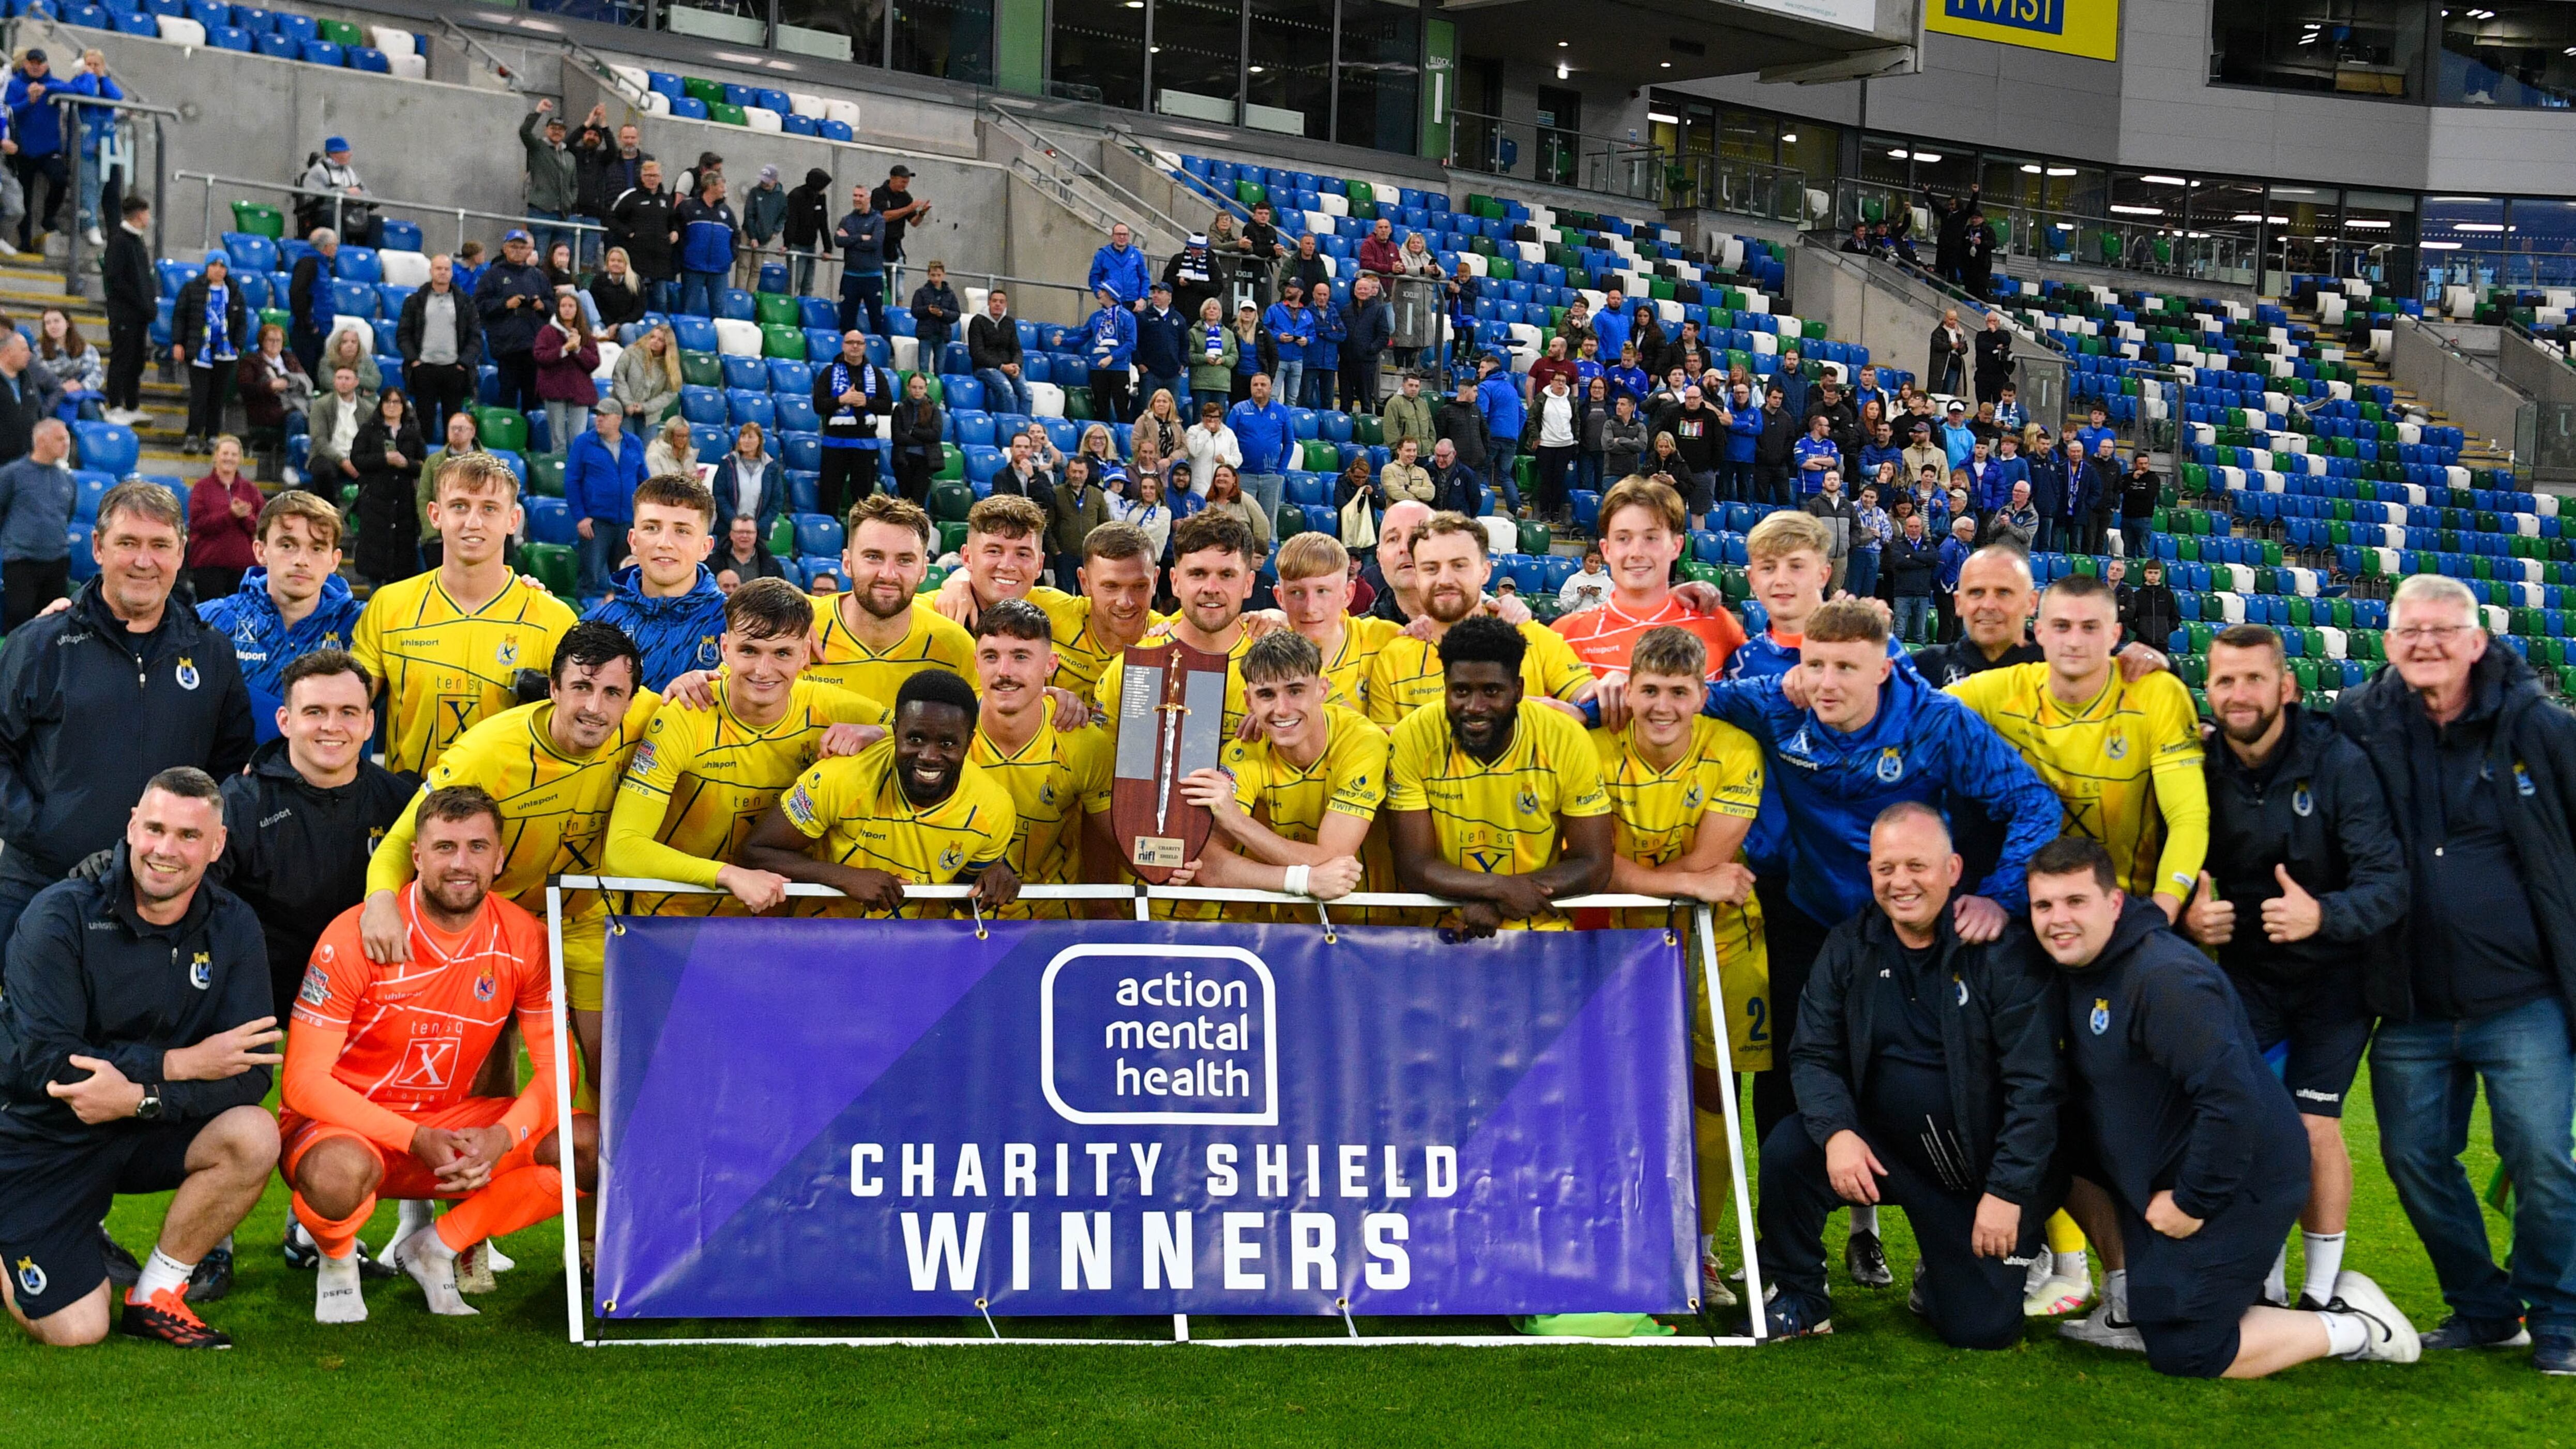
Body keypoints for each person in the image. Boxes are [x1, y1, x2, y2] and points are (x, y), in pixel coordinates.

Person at [2028, 835, 2420, 1376]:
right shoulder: (2079, 966)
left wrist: (2192, 1202)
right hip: (2167, 1168)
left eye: (2075, 902)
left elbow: (2232, 1101)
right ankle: (2128, 1301)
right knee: (2056, 1134)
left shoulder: (2164, 978)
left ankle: (2355, 1325)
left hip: (2242, 1179)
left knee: (2187, 1349)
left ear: (2114, 903)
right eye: (2043, 906)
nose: (2058, 920)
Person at [1700, 599, 2060, 1152]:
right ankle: (1788, 1201)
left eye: (1846, 668)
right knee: (1790, 1076)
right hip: (1810, 916)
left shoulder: (1935, 722)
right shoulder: (1775, 704)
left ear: (1884, 669)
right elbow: (1683, 698)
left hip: (1908, 927)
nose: (1826, 683)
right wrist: (1594, 702)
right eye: (1815, 665)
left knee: (1915, 1079)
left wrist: (2000, 896)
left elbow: (2034, 803)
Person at [2330, 573, 2576, 1372]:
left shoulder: (2540, 727)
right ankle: (2483, 1307)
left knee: (2541, 1158)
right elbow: (2275, 736)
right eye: (2410, 631)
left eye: (2442, 630)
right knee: (2412, 1161)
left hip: (2523, 998)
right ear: (2387, 643)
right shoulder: (2358, 722)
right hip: (2411, 1001)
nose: (2426, 644)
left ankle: (2560, 1317)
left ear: (2476, 641)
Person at [1751, 802, 2063, 1347]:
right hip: (1880, 1154)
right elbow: (1813, 1053)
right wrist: (1838, 1133)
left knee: (1982, 1330)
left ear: (1953, 869)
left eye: (1917, 866)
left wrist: (2007, 1192)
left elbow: (2036, 1089)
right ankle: (1801, 1297)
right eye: (1886, 868)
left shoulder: (2001, 954)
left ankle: (1942, 1274)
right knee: (1789, 1149)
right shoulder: (1848, 945)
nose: (1900, 882)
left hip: (1973, 1176)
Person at [285, 783, 594, 1321]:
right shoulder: (353, 936)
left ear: (500, 859)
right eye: (445, 847)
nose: (461, 864)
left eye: (477, 847)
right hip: (348, 1130)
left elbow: (556, 1070)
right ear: (417, 856)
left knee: (589, 1146)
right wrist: (413, 1138)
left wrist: (503, 1136)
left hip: (446, 1127)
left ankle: (436, 1246)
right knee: (337, 1175)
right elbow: (302, 1084)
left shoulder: (525, 939)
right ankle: (336, 1259)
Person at [0, 766, 280, 1348]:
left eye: (188, 836)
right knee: (77, 1330)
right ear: (131, 827)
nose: (165, 850)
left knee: (253, 1134)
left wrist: (141, 1098)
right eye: (155, 829)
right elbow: (53, 1064)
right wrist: (179, 1065)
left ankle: (158, 1294)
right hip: (40, 1136)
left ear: (217, 845)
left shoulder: (233, 925)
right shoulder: (59, 916)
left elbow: (249, 1072)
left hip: (141, 1124)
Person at [2181, 624, 2407, 1315]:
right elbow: (2176, 862)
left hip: (2334, 978)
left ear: (2285, 686)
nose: (2238, 693)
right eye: (2224, 680)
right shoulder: (2198, 766)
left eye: (2253, 678)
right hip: (2246, 977)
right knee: (2245, 1123)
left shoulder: (2336, 761)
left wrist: (2322, 915)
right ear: (2207, 689)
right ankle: (2263, 1279)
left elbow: (2388, 883)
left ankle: (2321, 1290)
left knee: (2310, 1125)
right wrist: (2192, 915)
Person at [361, 621, 652, 1096]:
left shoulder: (649, 718)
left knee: (612, 1073)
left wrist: (695, 682)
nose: (595, 708)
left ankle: (593, 1148)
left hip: (586, 916)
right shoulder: (486, 753)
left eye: (612, 693)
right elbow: (401, 840)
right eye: (581, 687)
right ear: (554, 688)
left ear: (631, 699)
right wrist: (379, 901)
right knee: (487, 1075)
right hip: (499, 924)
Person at [1587, 626, 1767, 1300]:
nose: (1662, 706)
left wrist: (1670, 880)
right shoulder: (1592, 748)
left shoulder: (1735, 750)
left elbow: (1708, 864)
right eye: (1650, 690)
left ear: (1701, 696)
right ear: (1628, 691)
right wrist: (1686, 883)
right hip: (1614, 941)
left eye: (1678, 692)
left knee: (1710, 1093)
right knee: (1611, 1089)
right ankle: (1616, 1237)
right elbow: (1594, 864)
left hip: (1716, 939)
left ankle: (1702, 1251)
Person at [0, 480, 257, 944]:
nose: (144, 561)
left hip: (164, 898)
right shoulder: (39, 645)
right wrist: (41, 830)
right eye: (128, 543)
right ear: (98, 547)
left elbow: (231, 769)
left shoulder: (213, 653)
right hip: (41, 885)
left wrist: (188, 851)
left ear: (181, 552)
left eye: (160, 545)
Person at [606, 577, 888, 916]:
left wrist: (878, 733)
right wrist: (729, 875)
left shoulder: (829, 706)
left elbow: (918, 729)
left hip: (778, 922)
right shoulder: (686, 715)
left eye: (782, 653)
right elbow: (623, 848)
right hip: (676, 918)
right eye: (749, 651)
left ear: (804, 655)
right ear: (725, 649)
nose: (763, 671)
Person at [1946, 573, 2205, 923]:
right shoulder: (1999, 692)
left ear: (2115, 635)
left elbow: (2187, 817)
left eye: (2090, 628)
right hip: (2028, 910)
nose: (2074, 641)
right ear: (2039, 632)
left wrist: (2161, 916)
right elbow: (1910, 710)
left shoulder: (2157, 694)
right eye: (2062, 626)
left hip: (2126, 913)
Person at [353, 452, 578, 779]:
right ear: (435, 514)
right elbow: (349, 708)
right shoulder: (389, 606)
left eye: (490, 508)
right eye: (459, 506)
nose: (473, 522)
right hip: (410, 801)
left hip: (509, 804)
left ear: (514, 519)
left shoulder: (553, 618)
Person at [742, 668, 1019, 919]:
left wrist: (992, 882)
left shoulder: (994, 808)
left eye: (947, 743)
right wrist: (845, 877)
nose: (929, 756)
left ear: (969, 743)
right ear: (895, 732)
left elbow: (965, 901)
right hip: (828, 938)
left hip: (924, 946)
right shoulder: (841, 778)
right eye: (915, 739)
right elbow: (754, 852)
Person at [1167, 627, 1381, 912]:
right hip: (1284, 926)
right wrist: (1302, 880)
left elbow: (1334, 860)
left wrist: (1237, 821)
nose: (1282, 709)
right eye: (1267, 695)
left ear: (1323, 689)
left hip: (1374, 922)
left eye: (1295, 691)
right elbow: (1208, 864)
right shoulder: (1245, 750)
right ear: (1249, 701)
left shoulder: (1363, 741)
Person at [957, 600, 1112, 918]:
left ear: (1051, 665)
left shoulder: (1083, 743)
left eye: (1021, 657)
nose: (1004, 671)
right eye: (991, 657)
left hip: (1053, 922)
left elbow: (1108, 839)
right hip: (958, 918)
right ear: (976, 663)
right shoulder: (948, 733)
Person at [194, 491, 363, 745]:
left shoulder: (362, 625)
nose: (302, 561)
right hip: (235, 770)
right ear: (261, 551)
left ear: (334, 560)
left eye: (317, 548)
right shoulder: (211, 620)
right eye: (287, 546)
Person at [1552, 477, 1748, 690]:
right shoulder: (1568, 635)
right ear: (1606, 550)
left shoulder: (1715, 622)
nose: (1636, 552)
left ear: (1676, 546)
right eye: (1623, 539)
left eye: (1651, 538)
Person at [794, 493, 976, 703]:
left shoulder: (956, 647)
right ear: (847, 563)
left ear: (923, 570)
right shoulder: (800, 629)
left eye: (905, 560)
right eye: (873, 557)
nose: (888, 574)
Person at [584, 473, 723, 692]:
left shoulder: (733, 624)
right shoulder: (596, 626)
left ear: (705, 547)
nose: (665, 543)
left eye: (682, 531)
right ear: (633, 541)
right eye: (652, 528)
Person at [391, 255, 481, 434]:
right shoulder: (415, 301)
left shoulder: (465, 302)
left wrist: (464, 363)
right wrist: (414, 360)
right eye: (439, 268)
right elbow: (403, 334)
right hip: (424, 369)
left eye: (447, 269)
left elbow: (475, 337)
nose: (443, 272)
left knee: (454, 426)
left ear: (452, 273)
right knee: (423, 424)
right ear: (431, 271)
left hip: (455, 371)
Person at [565, 398, 646, 596]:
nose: (599, 419)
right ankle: (584, 613)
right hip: (596, 523)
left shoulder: (634, 443)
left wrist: (641, 517)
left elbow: (644, 481)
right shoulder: (584, 443)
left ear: (618, 419)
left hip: (627, 522)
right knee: (590, 577)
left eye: (604, 415)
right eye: (597, 415)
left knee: (625, 578)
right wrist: (581, 517)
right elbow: (572, 481)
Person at [168, 250, 243, 457]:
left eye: (223, 266)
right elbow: (180, 317)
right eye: (214, 265)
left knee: (217, 397)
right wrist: (178, 343)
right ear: (207, 267)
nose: (218, 270)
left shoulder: (234, 292)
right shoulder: (192, 289)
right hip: (200, 351)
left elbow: (241, 322)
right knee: (199, 396)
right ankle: (193, 434)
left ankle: (212, 436)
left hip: (225, 353)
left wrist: (238, 344)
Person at [0, 416, 73, 627]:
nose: (66, 444)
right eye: (60, 439)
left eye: (67, 439)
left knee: (52, 626)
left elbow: (68, 514)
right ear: (41, 441)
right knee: (19, 621)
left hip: (58, 560)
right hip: (21, 561)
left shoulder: (67, 479)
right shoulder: (12, 474)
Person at [814, 330, 891, 521]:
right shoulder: (829, 372)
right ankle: (829, 533)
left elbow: (887, 406)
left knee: (864, 503)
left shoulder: (876, 374)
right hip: (835, 445)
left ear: (865, 346)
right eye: (850, 342)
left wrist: (867, 402)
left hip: (865, 446)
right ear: (843, 345)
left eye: (859, 343)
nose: (855, 346)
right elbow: (818, 405)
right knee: (829, 497)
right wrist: (842, 400)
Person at [475, 229, 551, 417]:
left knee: (533, 401)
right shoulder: (492, 275)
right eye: (513, 246)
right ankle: (508, 433)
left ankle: (530, 434)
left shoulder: (538, 276)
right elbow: (479, 305)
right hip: (507, 348)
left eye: (522, 247)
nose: (518, 251)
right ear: (505, 248)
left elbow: (554, 304)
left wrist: (542, 306)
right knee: (507, 399)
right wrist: (505, 304)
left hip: (533, 347)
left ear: (529, 251)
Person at [184, 435, 262, 601]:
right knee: (208, 614)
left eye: (234, 455)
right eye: (225, 453)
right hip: (208, 565)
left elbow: (261, 526)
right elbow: (198, 524)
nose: (229, 458)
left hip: (243, 567)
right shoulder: (201, 488)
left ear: (240, 459)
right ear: (216, 456)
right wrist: (230, 515)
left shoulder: (251, 490)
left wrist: (245, 517)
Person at [531, 293, 599, 461]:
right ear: (558, 309)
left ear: (577, 310)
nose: (567, 310)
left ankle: (577, 470)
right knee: (558, 443)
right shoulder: (547, 332)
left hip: (580, 392)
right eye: (563, 306)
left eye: (571, 306)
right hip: (554, 390)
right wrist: (565, 349)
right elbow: (540, 357)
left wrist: (578, 349)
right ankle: (558, 471)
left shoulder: (585, 333)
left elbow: (594, 363)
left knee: (578, 439)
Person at [608, 160, 675, 312]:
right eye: (648, 176)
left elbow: (674, 222)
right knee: (635, 299)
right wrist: (628, 233)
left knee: (661, 301)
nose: (652, 179)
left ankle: (661, 326)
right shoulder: (631, 197)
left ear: (661, 177)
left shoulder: (667, 199)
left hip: (660, 260)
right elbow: (611, 218)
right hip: (637, 259)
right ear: (642, 177)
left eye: (655, 176)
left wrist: (675, 231)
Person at [671, 172, 736, 320]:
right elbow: (676, 229)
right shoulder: (688, 207)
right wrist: (686, 254)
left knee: (720, 312)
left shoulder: (726, 211)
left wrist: (730, 256)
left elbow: (735, 235)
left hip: (720, 270)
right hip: (693, 268)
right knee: (690, 309)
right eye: (722, 186)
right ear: (710, 186)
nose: (725, 190)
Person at [518, 100, 578, 260]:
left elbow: (574, 185)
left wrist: (570, 200)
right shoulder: (538, 148)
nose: (557, 132)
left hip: (564, 214)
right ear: (546, 130)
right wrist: (538, 111)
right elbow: (524, 131)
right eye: (553, 128)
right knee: (540, 255)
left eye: (561, 129)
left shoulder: (570, 157)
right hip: (541, 211)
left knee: (561, 258)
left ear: (565, 133)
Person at [709, 418, 783, 543]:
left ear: (760, 441)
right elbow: (720, 496)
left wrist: (756, 527)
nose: (746, 441)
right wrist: (735, 522)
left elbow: (776, 501)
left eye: (751, 437)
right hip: (728, 530)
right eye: (743, 437)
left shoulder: (771, 467)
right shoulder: (728, 463)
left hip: (759, 533)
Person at [832, 184, 887, 337]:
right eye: (855, 195)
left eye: (861, 196)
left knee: (876, 320)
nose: (857, 199)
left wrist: (850, 241)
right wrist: (861, 237)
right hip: (850, 277)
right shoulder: (847, 220)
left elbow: (875, 243)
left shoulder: (878, 220)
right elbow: (839, 241)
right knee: (846, 322)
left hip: (872, 278)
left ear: (869, 198)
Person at [968, 288, 1034, 416]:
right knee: (1007, 389)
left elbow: (1017, 350)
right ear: (989, 303)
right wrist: (1002, 367)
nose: (998, 304)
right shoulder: (977, 321)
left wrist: (1017, 366)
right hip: (986, 368)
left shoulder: (1009, 322)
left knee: (1027, 393)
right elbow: (976, 353)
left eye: (1001, 302)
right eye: (995, 301)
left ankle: (1024, 425)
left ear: (1006, 305)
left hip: (1010, 367)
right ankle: (1012, 426)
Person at [867, 165, 929, 296]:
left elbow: (914, 222)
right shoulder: (879, 193)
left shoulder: (906, 197)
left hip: (895, 246)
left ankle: (897, 306)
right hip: (879, 244)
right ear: (893, 178)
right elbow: (883, 216)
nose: (905, 185)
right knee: (874, 285)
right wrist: (909, 208)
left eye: (907, 182)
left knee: (898, 290)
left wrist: (922, 213)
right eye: (903, 182)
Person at [1079, 285, 1136, 426]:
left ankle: (1124, 436)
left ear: (1111, 294)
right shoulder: (1095, 316)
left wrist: (1111, 358)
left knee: (1121, 408)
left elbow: (1131, 344)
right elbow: (1083, 337)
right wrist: (1063, 341)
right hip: (1098, 368)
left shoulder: (1127, 317)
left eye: (1103, 291)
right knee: (1100, 409)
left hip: (1119, 369)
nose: (1099, 293)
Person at [611, 320, 681, 427]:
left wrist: (645, 407)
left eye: (660, 340)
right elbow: (619, 377)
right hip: (623, 409)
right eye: (653, 337)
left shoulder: (670, 364)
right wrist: (628, 403)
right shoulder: (632, 352)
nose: (655, 341)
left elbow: (671, 392)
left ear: (667, 345)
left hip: (650, 417)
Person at [1133, 281, 1188, 418]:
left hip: (1173, 374)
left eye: (1160, 292)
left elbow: (1185, 344)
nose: (1155, 296)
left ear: (1169, 296)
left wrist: (1182, 364)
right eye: (1154, 293)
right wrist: (1139, 364)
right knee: (1148, 413)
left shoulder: (1179, 319)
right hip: (1150, 373)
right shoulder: (1143, 317)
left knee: (1171, 414)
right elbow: (1135, 342)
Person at [1886, 510, 1940, 646]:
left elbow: (1934, 559)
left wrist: (1912, 556)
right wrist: (1923, 563)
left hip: (1923, 594)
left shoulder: (1928, 545)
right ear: (1906, 528)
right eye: (1911, 527)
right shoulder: (1897, 544)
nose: (1914, 530)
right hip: (1903, 594)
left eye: (1917, 527)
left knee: (1921, 634)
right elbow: (1899, 563)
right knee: (1899, 632)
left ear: (1921, 529)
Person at [1342, 275, 1393, 411]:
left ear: (1371, 292)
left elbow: (1383, 336)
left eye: (1366, 289)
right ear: (1355, 291)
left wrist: (1370, 349)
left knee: (1366, 400)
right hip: (1346, 362)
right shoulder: (1346, 310)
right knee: (1345, 401)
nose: (1363, 292)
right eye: (1360, 289)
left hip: (1367, 363)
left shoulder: (1378, 310)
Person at [713, 512, 786, 590]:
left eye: (749, 532)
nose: (745, 536)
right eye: (740, 532)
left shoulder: (772, 565)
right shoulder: (713, 562)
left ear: (756, 535)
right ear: (731, 535)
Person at [1185, 298, 1237, 405]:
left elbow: (1234, 356)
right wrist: (1205, 359)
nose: (1212, 311)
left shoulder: (1228, 334)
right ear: (1203, 312)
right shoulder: (1193, 333)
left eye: (1215, 309)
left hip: (1221, 384)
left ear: (1219, 313)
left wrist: (1223, 360)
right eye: (1208, 309)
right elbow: (1189, 356)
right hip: (1200, 384)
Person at [1088, 222, 1151, 309]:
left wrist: (1143, 299)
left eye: (1125, 234)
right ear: (1113, 236)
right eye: (1119, 234)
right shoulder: (1102, 255)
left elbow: (1145, 278)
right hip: (1111, 302)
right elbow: (1094, 278)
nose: (1122, 237)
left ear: (1129, 236)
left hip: (1134, 303)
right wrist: (1099, 294)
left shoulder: (1137, 254)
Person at [2118, 450, 2159, 561]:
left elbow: (2149, 495)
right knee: (2128, 551)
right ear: (2135, 465)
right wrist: (2133, 480)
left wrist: (2130, 491)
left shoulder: (2153, 479)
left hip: (2144, 519)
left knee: (2143, 551)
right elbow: (2119, 489)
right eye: (2141, 464)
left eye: (2146, 463)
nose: (2144, 466)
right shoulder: (2127, 478)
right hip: (2127, 518)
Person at [1973, 313, 2016, 407]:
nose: (1992, 323)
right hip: (1983, 375)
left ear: (1998, 322)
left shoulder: (2005, 334)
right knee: (1983, 404)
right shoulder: (1981, 335)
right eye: (1990, 321)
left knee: (2000, 405)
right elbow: (1981, 345)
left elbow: (2006, 342)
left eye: (1994, 321)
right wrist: (1996, 347)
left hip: (1999, 376)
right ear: (1986, 322)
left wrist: (1995, 331)